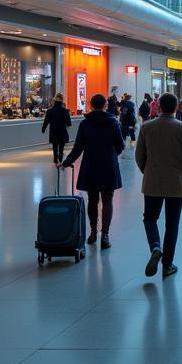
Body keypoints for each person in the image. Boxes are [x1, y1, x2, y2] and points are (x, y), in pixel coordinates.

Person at [135, 92, 182, 279]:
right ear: (176, 107)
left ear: (158, 107)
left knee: (150, 218)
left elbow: (139, 156)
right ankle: (167, 264)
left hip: (153, 180)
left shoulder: (147, 128)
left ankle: (155, 246)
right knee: (172, 224)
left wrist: (149, 172)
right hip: (176, 182)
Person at [61, 93, 125, 249]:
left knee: (93, 200)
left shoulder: (85, 123)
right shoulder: (113, 122)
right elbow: (120, 145)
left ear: (90, 105)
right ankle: (105, 235)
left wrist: (65, 163)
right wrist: (110, 154)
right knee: (108, 201)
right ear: (105, 105)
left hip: (91, 165)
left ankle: (92, 233)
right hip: (108, 165)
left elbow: (78, 147)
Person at [42, 93, 73, 164]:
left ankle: (55, 159)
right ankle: (60, 159)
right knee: (61, 148)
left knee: (55, 147)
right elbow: (69, 123)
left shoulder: (50, 111)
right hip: (62, 131)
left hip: (53, 131)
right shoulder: (65, 111)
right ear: (62, 101)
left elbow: (46, 121)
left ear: (54, 100)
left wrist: (43, 129)